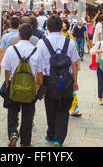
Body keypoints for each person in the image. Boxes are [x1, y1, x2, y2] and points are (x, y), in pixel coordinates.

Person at [36, 14, 80, 147]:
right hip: (66, 79)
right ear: (61, 26)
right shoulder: (70, 42)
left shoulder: (42, 42)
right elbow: (74, 64)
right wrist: (75, 81)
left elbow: (39, 67)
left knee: (50, 107)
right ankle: (59, 139)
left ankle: (51, 134)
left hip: (49, 80)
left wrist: (39, 84)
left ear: (47, 27)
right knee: (63, 108)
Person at [1, 23, 44, 147]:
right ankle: (25, 142)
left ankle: (13, 133)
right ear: (31, 36)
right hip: (30, 88)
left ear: (19, 35)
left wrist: (8, 85)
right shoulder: (36, 50)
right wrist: (39, 86)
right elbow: (40, 73)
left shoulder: (11, 49)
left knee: (12, 111)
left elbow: (7, 70)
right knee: (28, 115)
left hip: (14, 86)